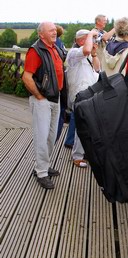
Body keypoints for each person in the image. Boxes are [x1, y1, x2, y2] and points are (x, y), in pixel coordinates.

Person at [21, 22, 65, 190]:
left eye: (55, 30)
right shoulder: (36, 50)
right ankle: (41, 173)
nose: (55, 32)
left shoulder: (54, 47)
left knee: (51, 136)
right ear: (41, 35)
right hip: (43, 100)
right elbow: (26, 77)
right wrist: (39, 96)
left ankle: (43, 166)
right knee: (42, 136)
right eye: (51, 30)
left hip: (55, 97)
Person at [61, 29, 103, 169]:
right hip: (79, 95)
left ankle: (84, 153)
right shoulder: (73, 53)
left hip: (90, 95)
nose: (93, 42)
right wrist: (91, 34)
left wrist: (95, 53)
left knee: (88, 125)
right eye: (89, 39)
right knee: (81, 126)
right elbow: (84, 51)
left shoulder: (89, 54)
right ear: (80, 41)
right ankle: (77, 156)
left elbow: (97, 69)